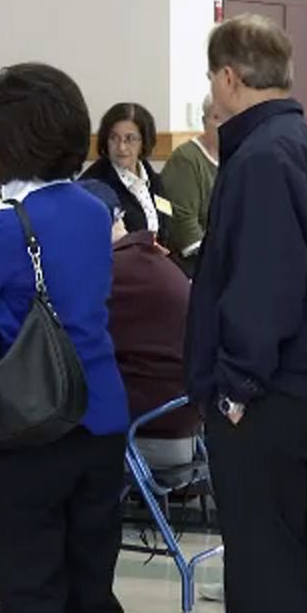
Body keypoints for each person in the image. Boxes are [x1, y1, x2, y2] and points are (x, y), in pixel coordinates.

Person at [0, 62, 130, 613]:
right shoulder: (95, 210)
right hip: (103, 417)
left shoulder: (0, 226)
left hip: (29, 423)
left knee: (31, 591)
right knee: (92, 588)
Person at [186, 14, 307, 613]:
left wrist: (235, 386)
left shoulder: (262, 156)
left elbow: (264, 285)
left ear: (228, 78)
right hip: (304, 386)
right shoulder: (300, 141)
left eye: (212, 77)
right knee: (291, 547)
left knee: (261, 563)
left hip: (268, 394)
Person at [77, 179, 199, 468]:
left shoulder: (115, 272)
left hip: (153, 426)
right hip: (181, 416)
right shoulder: (146, 258)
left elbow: (69, 340)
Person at [80, 101, 170, 242]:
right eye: (114, 138)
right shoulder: (95, 186)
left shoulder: (153, 179)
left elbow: (167, 223)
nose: (121, 147)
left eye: (130, 139)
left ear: (144, 142)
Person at [161, 94, 226, 274]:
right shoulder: (187, 159)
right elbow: (184, 225)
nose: (223, 124)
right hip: (191, 266)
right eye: (216, 118)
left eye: (228, 117)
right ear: (204, 121)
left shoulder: (236, 156)